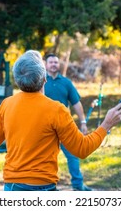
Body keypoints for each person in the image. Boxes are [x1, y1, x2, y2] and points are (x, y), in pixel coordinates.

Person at [0, 50, 121, 191]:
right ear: (44, 78)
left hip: (12, 187)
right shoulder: (57, 110)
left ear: (17, 80)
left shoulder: (6, 105)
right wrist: (106, 124)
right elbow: (82, 149)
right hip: (43, 187)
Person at [44, 53, 92, 191]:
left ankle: (78, 185)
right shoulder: (41, 82)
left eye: (56, 62)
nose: (54, 64)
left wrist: (83, 122)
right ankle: (49, 186)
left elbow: (76, 103)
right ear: (46, 65)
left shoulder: (66, 83)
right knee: (46, 158)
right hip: (45, 128)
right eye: (51, 62)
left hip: (64, 127)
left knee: (73, 155)